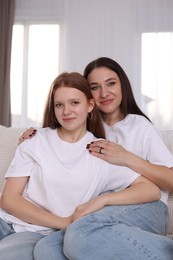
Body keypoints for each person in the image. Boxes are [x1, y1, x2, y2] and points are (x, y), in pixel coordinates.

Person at [20, 58, 173, 259]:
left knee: (79, 234)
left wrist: (126, 157)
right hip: (102, 213)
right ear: (87, 96)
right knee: (46, 248)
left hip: (147, 207)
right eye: (94, 87)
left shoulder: (139, 126)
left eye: (111, 83)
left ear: (122, 85)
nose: (104, 93)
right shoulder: (85, 126)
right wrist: (32, 137)